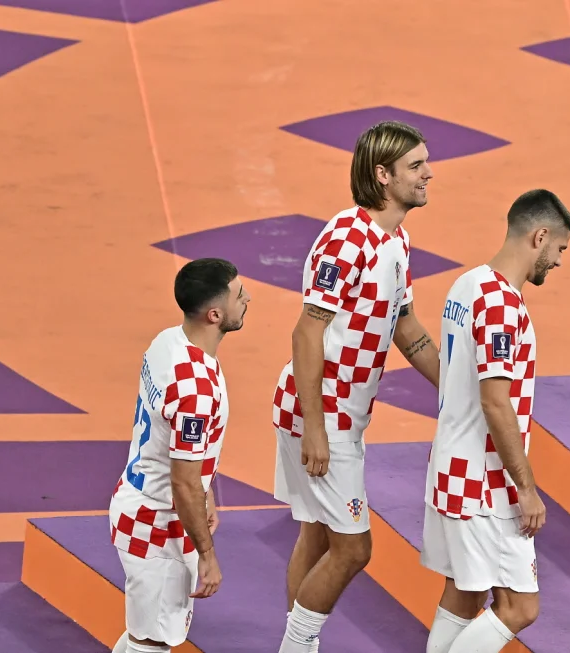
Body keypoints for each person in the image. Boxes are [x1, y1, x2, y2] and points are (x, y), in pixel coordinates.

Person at [272, 121, 442, 653]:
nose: (428, 173)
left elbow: (406, 327)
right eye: (415, 166)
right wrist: (318, 430)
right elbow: (306, 331)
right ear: (382, 175)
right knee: (354, 548)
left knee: (317, 534)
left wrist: (458, 388)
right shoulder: (347, 240)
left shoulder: (397, 240)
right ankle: (297, 647)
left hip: (340, 414)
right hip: (321, 413)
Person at [419, 189, 570, 653]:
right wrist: (525, 488)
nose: (559, 261)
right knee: (520, 606)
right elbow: (495, 402)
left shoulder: (466, 286)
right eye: (560, 249)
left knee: (465, 595)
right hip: (483, 483)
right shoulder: (503, 305)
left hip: (450, 468)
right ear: (540, 236)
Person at [108, 258, 250, 653]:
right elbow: (183, 481)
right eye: (240, 295)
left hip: (139, 504)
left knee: (142, 636)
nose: (248, 299)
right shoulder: (196, 391)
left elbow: (186, 458)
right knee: (151, 642)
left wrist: (205, 496)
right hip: (159, 525)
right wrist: (207, 554)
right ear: (215, 313)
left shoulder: (168, 341)